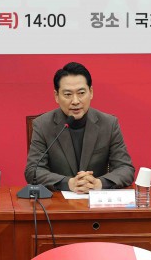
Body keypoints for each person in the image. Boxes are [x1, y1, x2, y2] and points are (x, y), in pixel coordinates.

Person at [25, 62, 134, 193]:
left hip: (96, 201)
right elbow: (33, 171)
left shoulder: (109, 124)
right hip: (58, 202)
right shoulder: (43, 125)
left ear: (91, 92)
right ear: (56, 96)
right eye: (68, 94)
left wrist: (98, 183)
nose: (75, 101)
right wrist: (68, 183)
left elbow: (125, 169)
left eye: (81, 93)